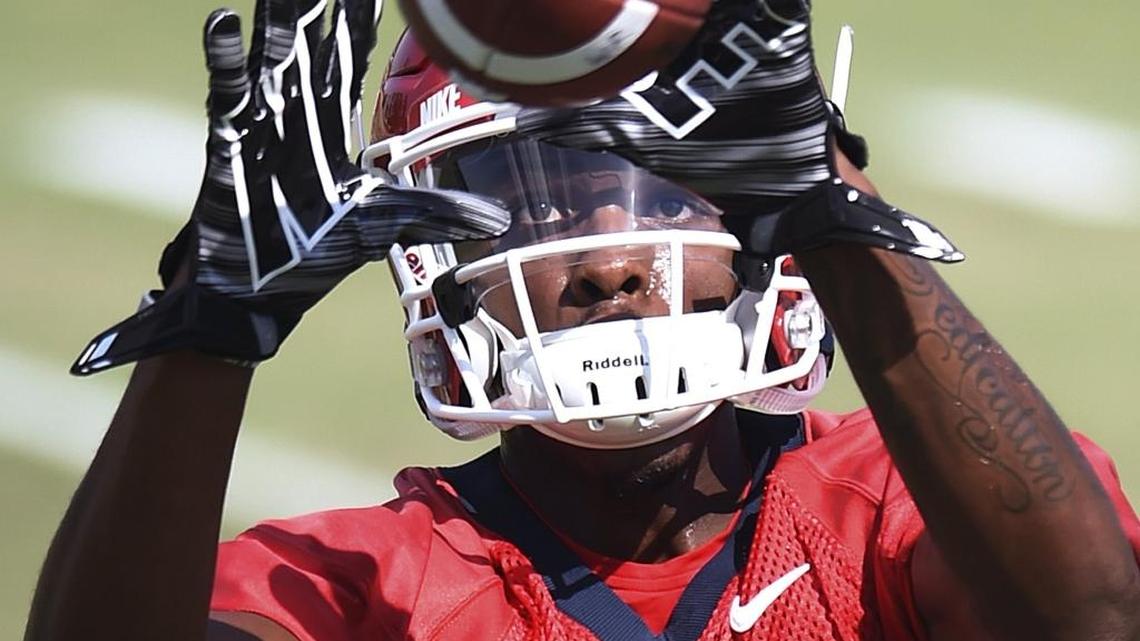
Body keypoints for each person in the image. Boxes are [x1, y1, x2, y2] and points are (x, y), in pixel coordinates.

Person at [25, 0, 1140, 640]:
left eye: (659, 193)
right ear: (437, 254)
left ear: (765, 207)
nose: (610, 259)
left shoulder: (885, 508)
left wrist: (838, 220)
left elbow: (1091, 614)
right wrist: (207, 338)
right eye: (531, 205)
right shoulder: (371, 582)